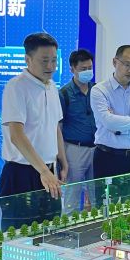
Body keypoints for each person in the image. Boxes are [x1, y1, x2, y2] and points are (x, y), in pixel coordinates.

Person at [0, 32, 66, 231]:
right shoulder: (16, 87)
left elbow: (55, 126)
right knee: (19, 234)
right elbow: (16, 135)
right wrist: (43, 171)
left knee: (50, 229)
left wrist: (62, 160)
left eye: (54, 60)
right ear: (28, 59)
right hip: (21, 173)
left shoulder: (52, 87)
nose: (50, 66)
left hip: (49, 171)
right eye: (44, 61)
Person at [90, 45, 130, 197]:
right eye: (127, 64)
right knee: (106, 206)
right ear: (115, 62)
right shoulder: (99, 90)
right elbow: (109, 122)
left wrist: (119, 125)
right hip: (108, 157)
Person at [59, 49, 96, 213]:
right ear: (72, 69)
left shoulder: (97, 90)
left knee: (98, 194)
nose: (88, 71)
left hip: (97, 148)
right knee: (72, 196)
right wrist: (62, 158)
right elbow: (58, 127)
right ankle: (69, 226)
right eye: (83, 69)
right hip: (74, 149)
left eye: (90, 68)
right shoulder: (64, 94)